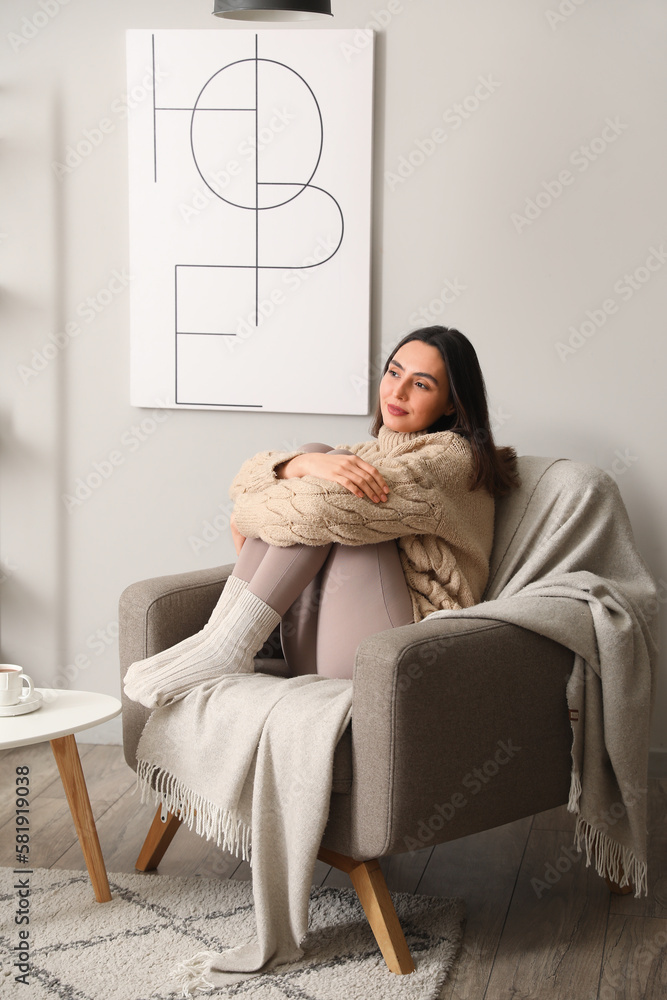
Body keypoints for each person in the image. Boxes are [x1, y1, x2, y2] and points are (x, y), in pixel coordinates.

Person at [123, 325, 519, 710]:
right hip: (319, 646)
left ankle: (228, 645)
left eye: (420, 384)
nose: (396, 391)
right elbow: (244, 481)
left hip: (395, 650)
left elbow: (315, 509)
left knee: (334, 494)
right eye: (394, 372)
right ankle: (221, 641)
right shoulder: (375, 454)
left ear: (452, 402)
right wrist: (300, 463)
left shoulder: (452, 458)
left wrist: (243, 518)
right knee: (319, 455)